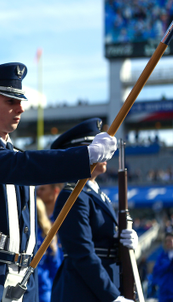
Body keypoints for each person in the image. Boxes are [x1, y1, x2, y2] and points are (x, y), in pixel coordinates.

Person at [0, 63, 117, 302]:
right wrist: (85, 156)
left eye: (20, 101)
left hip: (25, 278)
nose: (20, 108)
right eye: (10, 102)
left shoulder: (12, 155)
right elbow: (19, 165)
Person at [50, 118, 138, 302]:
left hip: (102, 283)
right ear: (80, 153)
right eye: (96, 146)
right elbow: (81, 253)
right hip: (81, 290)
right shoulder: (73, 195)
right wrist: (112, 296)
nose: (105, 152)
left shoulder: (97, 194)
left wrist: (126, 243)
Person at [36, 197, 61, 302]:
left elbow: (55, 264)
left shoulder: (46, 234)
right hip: (39, 286)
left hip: (43, 288)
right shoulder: (46, 234)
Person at [152, 232, 173, 302]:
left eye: (170, 241)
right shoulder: (161, 256)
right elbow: (156, 271)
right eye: (166, 241)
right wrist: (169, 265)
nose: (168, 243)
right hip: (163, 292)